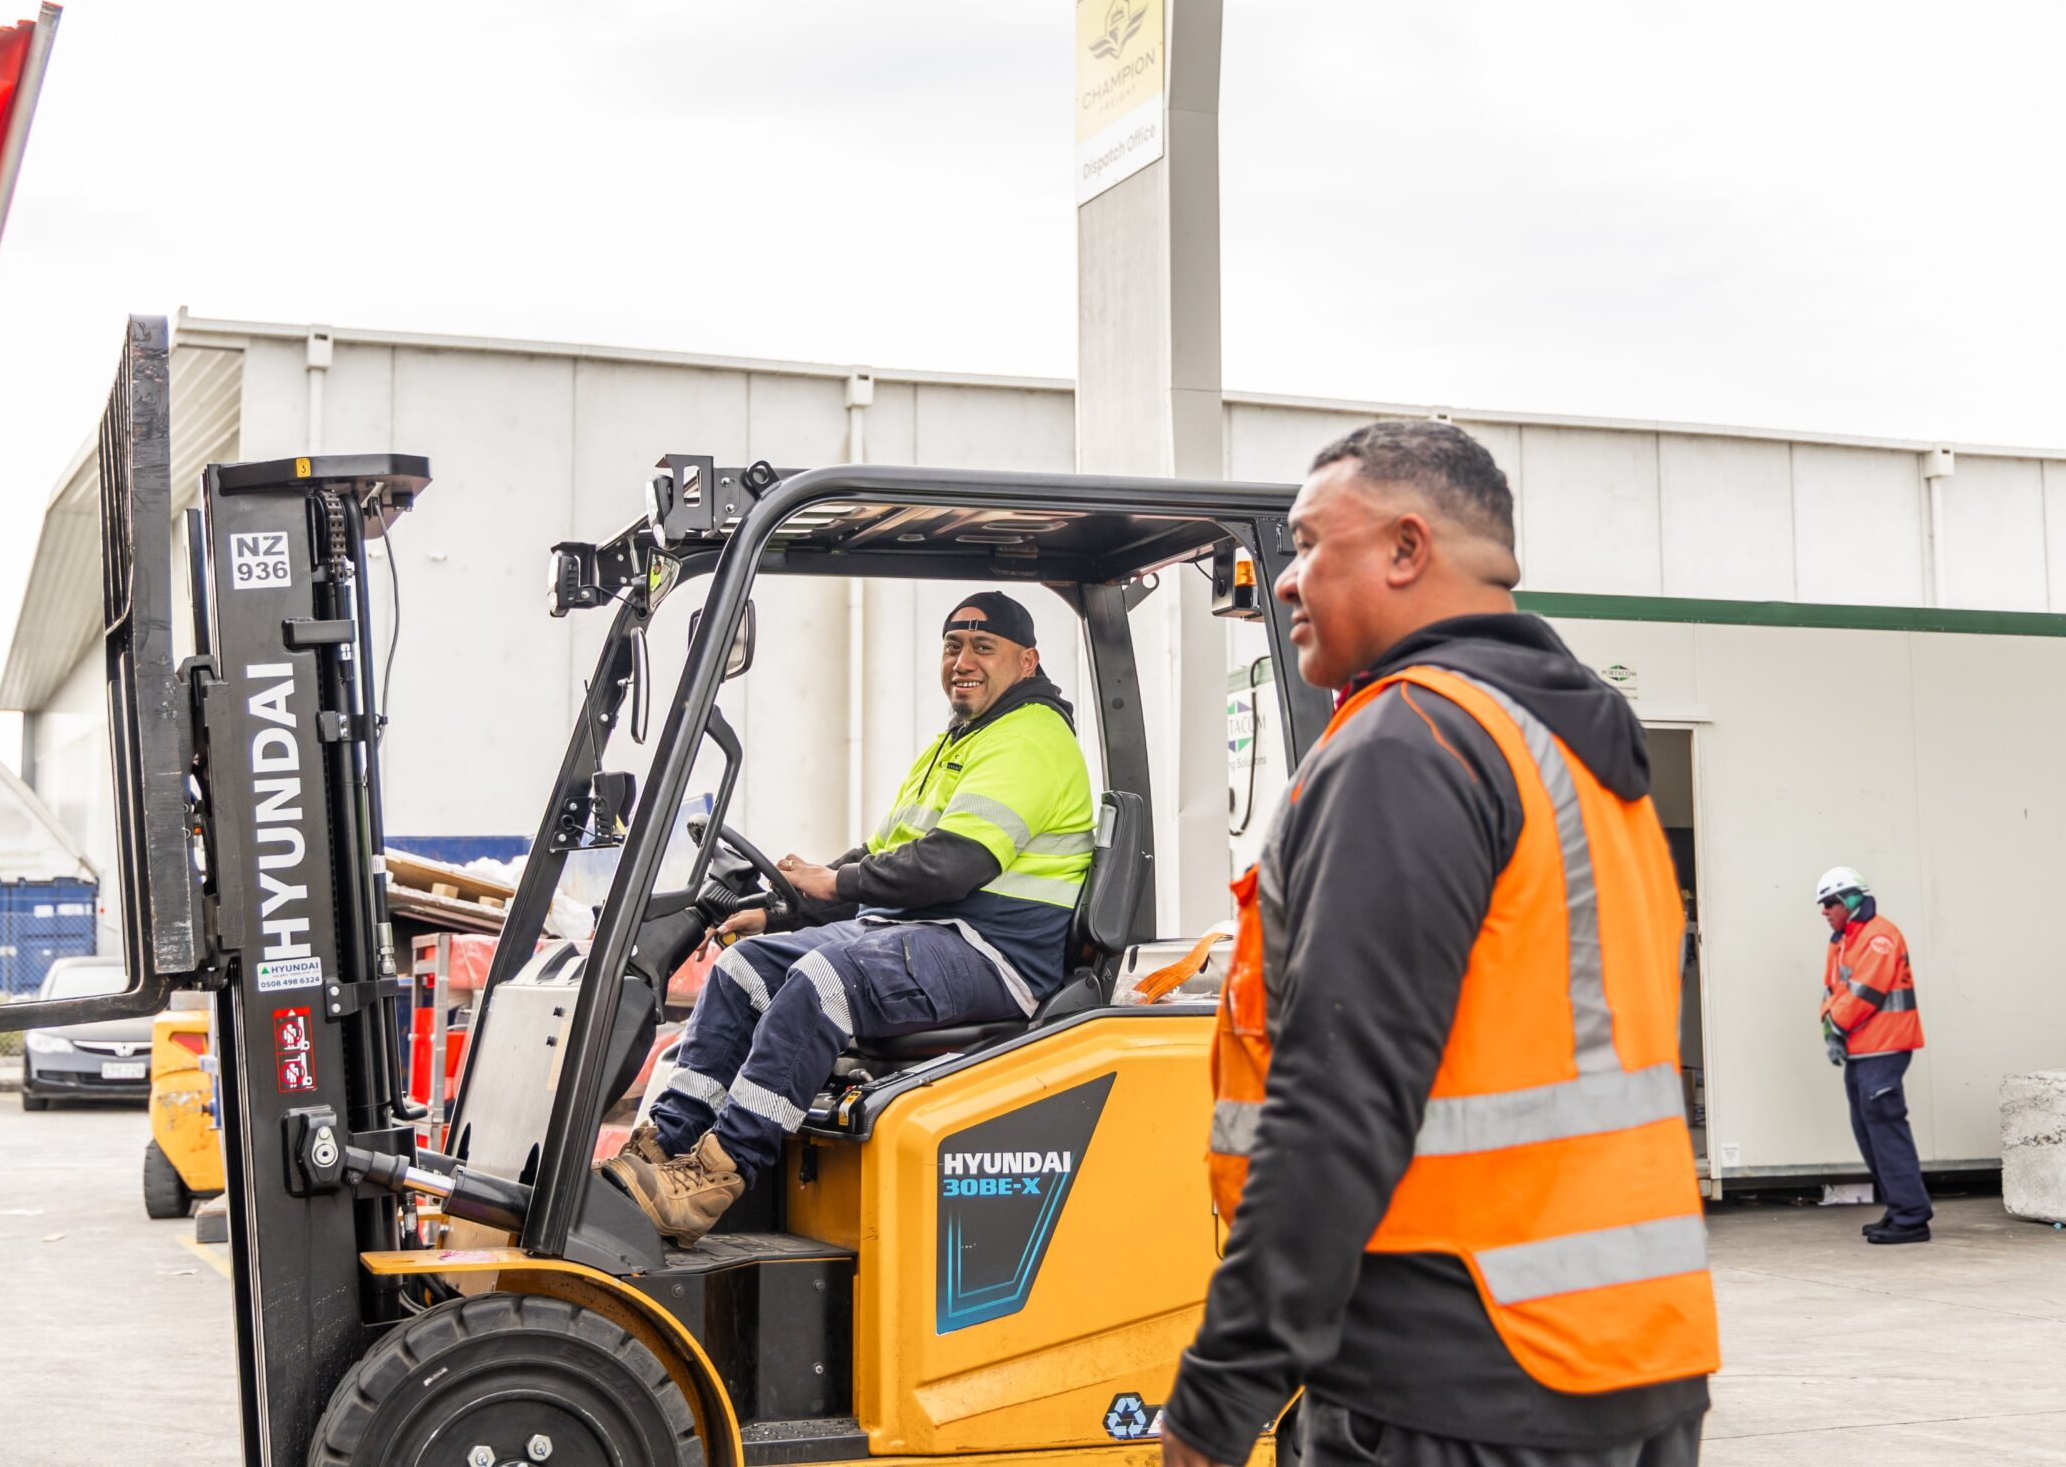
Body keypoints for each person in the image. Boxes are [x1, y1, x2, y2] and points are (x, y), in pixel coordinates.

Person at [1165, 420, 1716, 1467]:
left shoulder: (1405, 743)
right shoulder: (1580, 753)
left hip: (1448, 1375)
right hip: (1636, 1359)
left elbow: (1338, 1098)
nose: (1282, 581)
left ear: (1405, 549)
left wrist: (1219, 1395)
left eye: (1307, 543)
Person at [600, 590, 1096, 1246]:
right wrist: (780, 908)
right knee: (744, 969)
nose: (963, 661)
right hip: (922, 931)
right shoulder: (959, 741)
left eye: (984, 647)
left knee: (824, 980)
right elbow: (886, 856)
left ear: (1026, 660)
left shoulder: (1030, 739)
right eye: (953, 646)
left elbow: (952, 865)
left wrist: (836, 881)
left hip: (995, 952)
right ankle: (664, 1144)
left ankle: (719, 1174)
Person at [1816, 865, 1930, 1245]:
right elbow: (1832, 989)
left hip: (1885, 1048)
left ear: (1850, 899)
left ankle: (1911, 1216)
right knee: (1869, 1133)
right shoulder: (1842, 939)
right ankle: (1900, 1208)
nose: (1824, 911)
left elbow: (1866, 991)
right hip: (1861, 1051)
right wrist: (1828, 1027)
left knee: (1886, 1130)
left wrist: (1836, 1025)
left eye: (1829, 903)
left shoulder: (1880, 937)